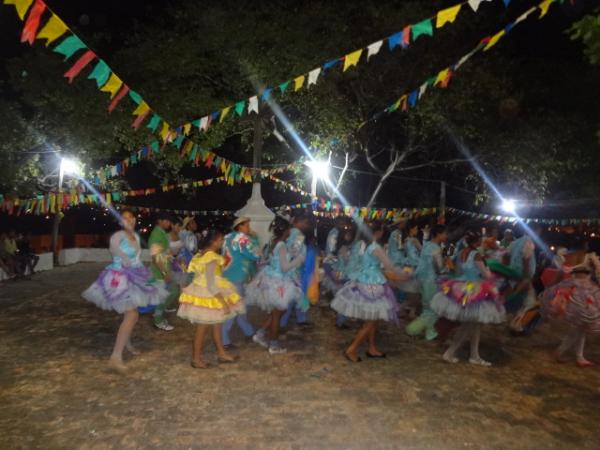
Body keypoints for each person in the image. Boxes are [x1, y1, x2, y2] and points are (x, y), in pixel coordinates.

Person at [82, 209, 168, 372]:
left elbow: (137, 259)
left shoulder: (135, 236)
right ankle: (115, 357)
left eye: (131, 217)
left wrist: (144, 273)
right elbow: (114, 249)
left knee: (131, 315)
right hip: (118, 278)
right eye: (124, 218)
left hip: (134, 276)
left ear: (135, 220)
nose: (128, 220)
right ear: (120, 221)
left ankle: (126, 344)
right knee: (132, 314)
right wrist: (125, 258)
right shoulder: (118, 236)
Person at [331, 220, 411, 362]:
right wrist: (405, 275)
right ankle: (352, 349)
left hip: (361, 282)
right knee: (371, 320)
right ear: (378, 232)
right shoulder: (375, 247)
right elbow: (390, 266)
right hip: (373, 286)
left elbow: (354, 264)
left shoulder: (359, 244)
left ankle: (372, 348)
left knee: (373, 319)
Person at [431, 231, 505, 366]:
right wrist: (497, 273)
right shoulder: (476, 254)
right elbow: (486, 275)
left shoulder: (461, 252)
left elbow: (458, 271)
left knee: (475, 325)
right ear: (476, 242)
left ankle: (474, 355)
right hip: (475, 290)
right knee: (469, 325)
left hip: (463, 286)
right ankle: (449, 352)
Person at [178, 228, 245, 368]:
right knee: (202, 329)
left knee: (217, 325)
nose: (222, 242)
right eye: (220, 240)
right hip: (208, 295)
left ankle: (221, 353)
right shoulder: (211, 257)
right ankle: (196, 359)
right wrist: (223, 302)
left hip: (208, 292)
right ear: (213, 241)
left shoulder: (202, 254)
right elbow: (210, 284)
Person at [246, 216, 305, 354]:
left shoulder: (273, 241)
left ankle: (260, 334)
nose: (291, 232)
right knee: (277, 315)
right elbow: (285, 267)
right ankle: (274, 345)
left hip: (270, 278)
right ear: (286, 231)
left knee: (278, 312)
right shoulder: (282, 245)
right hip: (279, 281)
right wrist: (298, 260)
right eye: (289, 229)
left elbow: (271, 260)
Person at [540, 254, 600, 367]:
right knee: (579, 329)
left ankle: (579, 357)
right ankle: (562, 352)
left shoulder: (587, 267)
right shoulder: (588, 268)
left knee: (581, 329)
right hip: (583, 303)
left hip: (583, 301)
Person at [221, 217, 260, 348]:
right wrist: (255, 239)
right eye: (247, 225)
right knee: (235, 308)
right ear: (240, 227)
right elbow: (255, 255)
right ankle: (224, 339)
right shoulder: (241, 238)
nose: (249, 228)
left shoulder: (227, 237)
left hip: (227, 274)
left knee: (238, 305)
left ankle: (248, 331)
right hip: (237, 276)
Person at [405, 224, 449, 341]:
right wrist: (448, 268)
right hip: (431, 281)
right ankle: (412, 329)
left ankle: (430, 333)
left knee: (427, 307)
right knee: (433, 309)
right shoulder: (436, 248)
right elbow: (439, 268)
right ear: (438, 234)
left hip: (421, 279)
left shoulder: (426, 245)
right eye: (445, 233)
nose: (446, 236)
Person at [280, 214, 312, 329]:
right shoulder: (298, 235)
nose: (307, 225)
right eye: (305, 223)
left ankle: (300, 318)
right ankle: (282, 323)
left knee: (296, 295)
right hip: (294, 270)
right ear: (299, 222)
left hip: (288, 268)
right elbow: (294, 252)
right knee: (293, 296)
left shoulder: (289, 232)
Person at [148, 212, 176, 331]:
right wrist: (165, 273)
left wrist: (171, 257)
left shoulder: (161, 233)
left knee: (172, 292)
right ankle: (158, 321)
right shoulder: (156, 235)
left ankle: (159, 315)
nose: (169, 223)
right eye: (167, 221)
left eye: (169, 221)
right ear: (160, 221)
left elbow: (164, 252)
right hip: (159, 271)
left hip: (164, 268)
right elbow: (155, 256)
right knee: (166, 295)